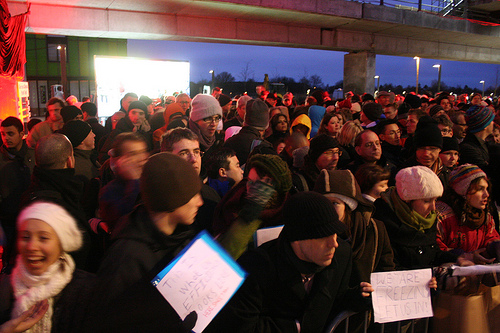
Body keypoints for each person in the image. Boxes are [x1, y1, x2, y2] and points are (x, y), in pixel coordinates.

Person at [206, 191, 373, 333]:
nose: (334, 243)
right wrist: (295, 327)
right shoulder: (256, 267)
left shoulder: (341, 254)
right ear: (298, 238)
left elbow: (333, 299)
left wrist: (356, 298)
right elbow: (241, 326)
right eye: (324, 236)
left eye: (336, 233)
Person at [87, 153, 204, 332]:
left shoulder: (182, 236)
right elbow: (108, 323)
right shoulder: (126, 257)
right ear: (171, 200)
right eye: (192, 195)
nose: (200, 202)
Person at [0, 201, 94, 332]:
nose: (31, 247)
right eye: (25, 237)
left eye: (43, 238)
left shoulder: (87, 291)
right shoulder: (5, 287)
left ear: (61, 245)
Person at [314, 169, 395, 285]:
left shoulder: (374, 229)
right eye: (323, 203)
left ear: (347, 206)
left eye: (334, 203)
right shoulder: (312, 233)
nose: (328, 209)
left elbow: (386, 269)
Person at [373, 166, 459, 269]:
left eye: (435, 200)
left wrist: (459, 258)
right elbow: (389, 267)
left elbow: (432, 253)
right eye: (426, 201)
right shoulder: (384, 222)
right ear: (408, 200)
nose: (433, 208)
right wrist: (423, 279)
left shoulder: (428, 219)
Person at [436, 164, 500, 263]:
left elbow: (491, 237)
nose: (486, 194)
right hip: (450, 269)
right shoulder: (441, 215)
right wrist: (459, 255)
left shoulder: (485, 216)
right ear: (463, 190)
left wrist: (494, 247)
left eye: (486, 189)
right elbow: (434, 249)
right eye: (480, 189)